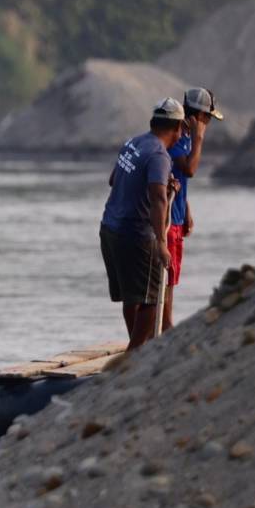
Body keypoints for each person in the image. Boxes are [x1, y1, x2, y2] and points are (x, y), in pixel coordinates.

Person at [99, 98, 185, 350]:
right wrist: (161, 243)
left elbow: (114, 179)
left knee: (132, 295)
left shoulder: (133, 143)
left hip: (109, 228)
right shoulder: (160, 155)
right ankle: (135, 356)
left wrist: (157, 182)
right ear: (177, 128)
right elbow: (158, 199)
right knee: (152, 296)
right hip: (135, 235)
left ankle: (136, 348)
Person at [163, 87, 224, 329]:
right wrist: (199, 138)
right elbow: (189, 169)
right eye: (207, 118)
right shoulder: (179, 138)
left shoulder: (185, 138)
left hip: (177, 216)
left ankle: (166, 325)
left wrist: (186, 208)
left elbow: (178, 177)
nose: (208, 123)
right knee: (166, 279)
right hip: (167, 219)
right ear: (196, 117)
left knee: (172, 277)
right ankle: (166, 328)